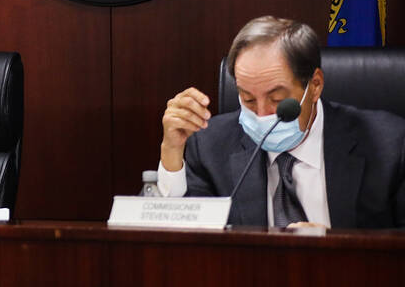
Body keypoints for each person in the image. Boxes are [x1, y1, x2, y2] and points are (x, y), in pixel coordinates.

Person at [157, 15, 405, 228]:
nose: (262, 114)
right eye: (248, 100)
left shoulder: (389, 145)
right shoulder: (210, 146)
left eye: (277, 100)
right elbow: (181, 240)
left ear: (315, 85)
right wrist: (171, 153)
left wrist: (335, 248)